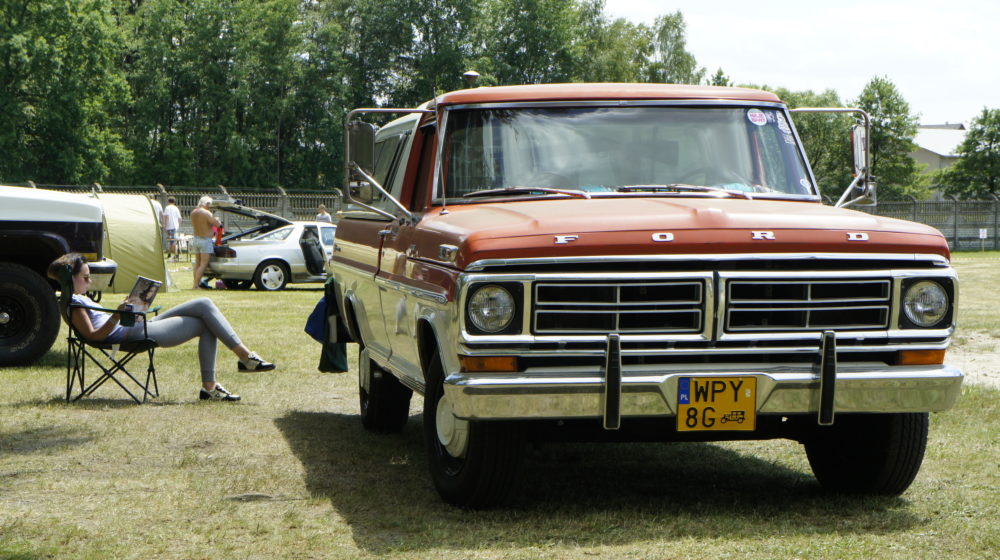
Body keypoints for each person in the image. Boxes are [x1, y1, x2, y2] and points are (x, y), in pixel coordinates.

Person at [48, 253, 276, 402]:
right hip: (129, 334)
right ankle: (232, 369)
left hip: (135, 325)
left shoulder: (79, 298)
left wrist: (133, 306)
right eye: (85, 278)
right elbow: (93, 336)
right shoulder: (74, 303)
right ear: (71, 279)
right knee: (206, 324)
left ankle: (233, 369)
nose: (89, 282)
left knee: (204, 303)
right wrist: (117, 315)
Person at [191, 195, 219, 290]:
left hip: (196, 239)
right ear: (206, 203)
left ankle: (195, 284)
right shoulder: (206, 213)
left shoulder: (193, 212)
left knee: (197, 263)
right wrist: (217, 220)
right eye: (209, 205)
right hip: (205, 240)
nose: (210, 207)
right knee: (203, 264)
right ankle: (196, 285)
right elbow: (217, 224)